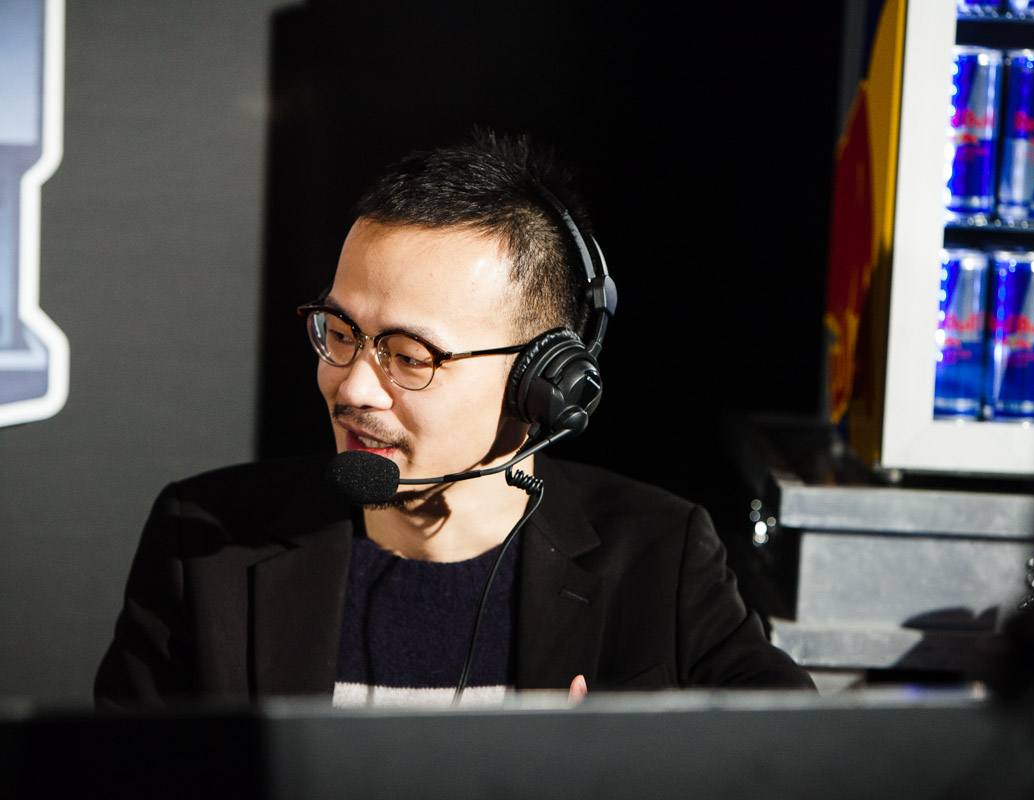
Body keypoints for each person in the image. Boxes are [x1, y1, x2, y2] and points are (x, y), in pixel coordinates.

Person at [94, 131, 813, 709]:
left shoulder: (660, 556)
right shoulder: (204, 545)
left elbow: (806, 766)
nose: (354, 387)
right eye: (339, 333)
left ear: (543, 384)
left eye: (409, 357)